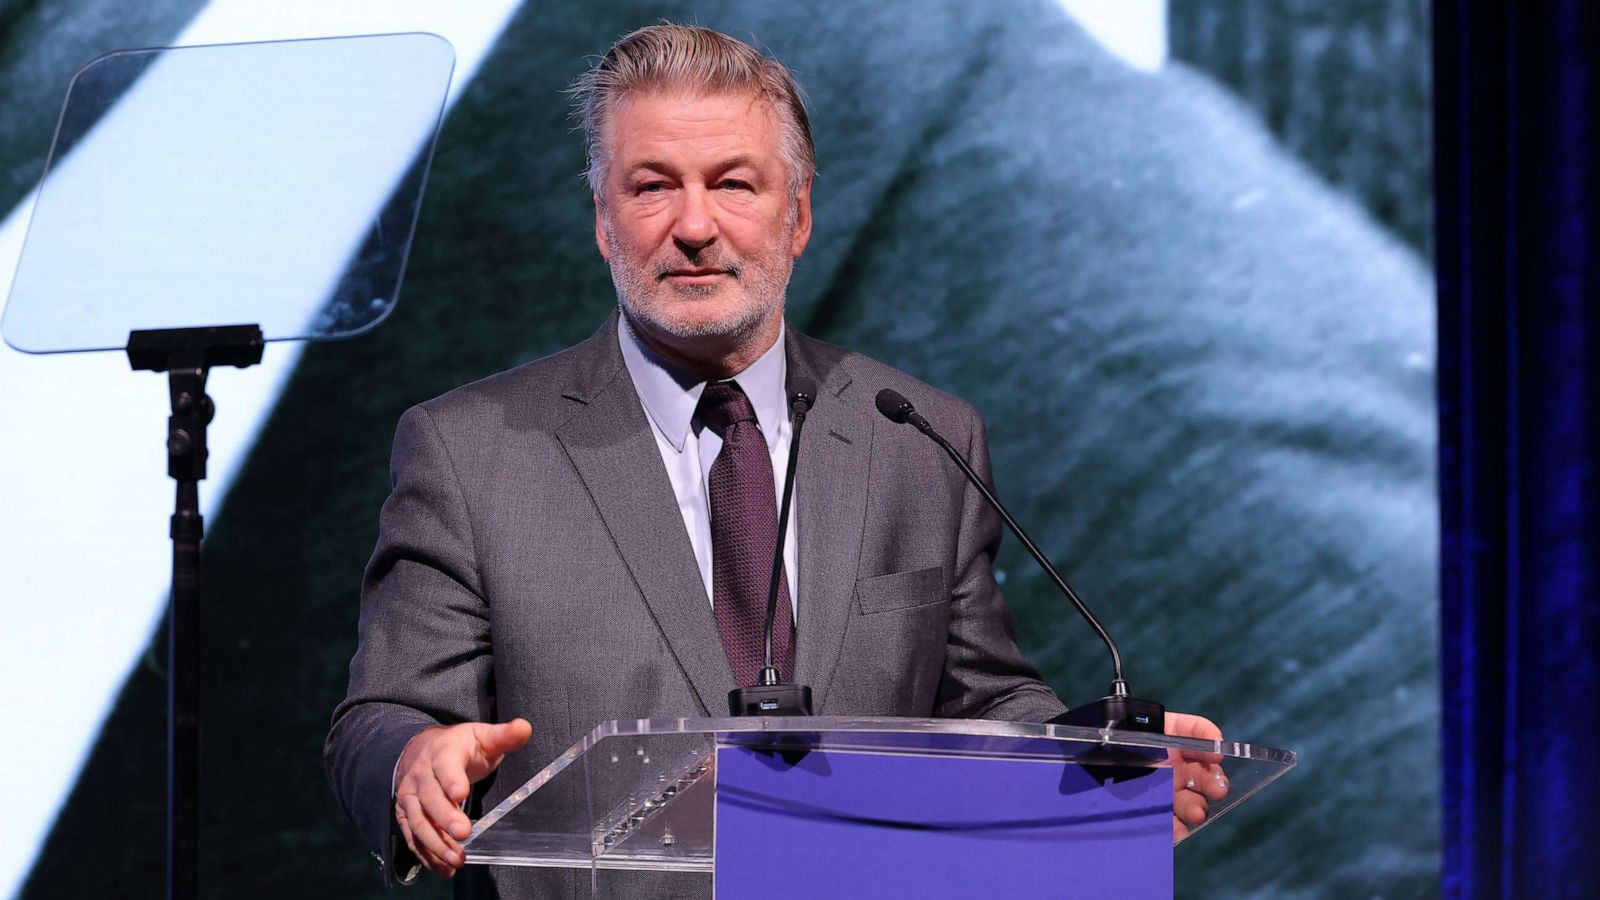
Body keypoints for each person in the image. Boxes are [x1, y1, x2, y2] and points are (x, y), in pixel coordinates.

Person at [325, 23, 1224, 895]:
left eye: (734, 184)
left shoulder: (913, 436)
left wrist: (1090, 775)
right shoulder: (472, 450)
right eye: (651, 187)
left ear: (796, 217)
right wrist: (413, 763)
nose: (695, 225)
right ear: (603, 221)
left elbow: (982, 704)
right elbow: (380, 719)